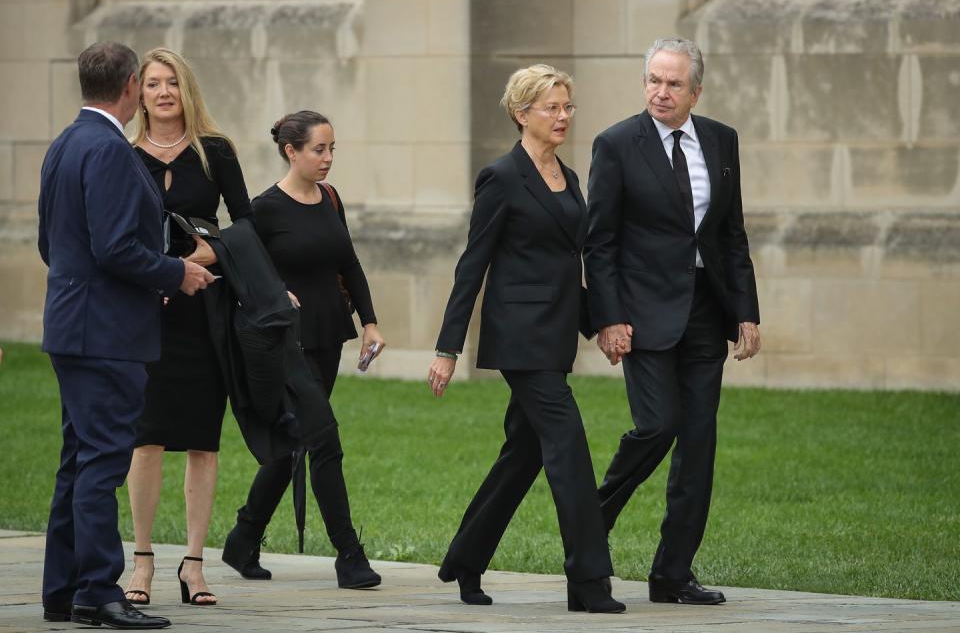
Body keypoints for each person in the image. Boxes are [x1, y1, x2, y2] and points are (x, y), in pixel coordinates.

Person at [426, 64, 624, 614]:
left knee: (524, 454)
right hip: (520, 339)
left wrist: (602, 322)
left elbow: (570, 263)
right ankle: (588, 583)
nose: (563, 116)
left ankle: (465, 561)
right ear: (522, 114)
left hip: (557, 335)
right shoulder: (500, 177)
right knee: (570, 449)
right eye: (552, 107)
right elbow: (474, 265)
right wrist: (448, 348)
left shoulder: (569, 176)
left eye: (568, 107)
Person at [38, 41, 213, 629]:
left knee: (78, 461)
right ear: (132, 84)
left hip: (70, 325)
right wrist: (175, 272)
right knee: (104, 463)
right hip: (108, 333)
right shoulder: (109, 150)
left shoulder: (65, 143)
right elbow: (115, 248)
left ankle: (61, 590)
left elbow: (52, 244)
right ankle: (97, 592)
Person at [584, 37, 761, 605]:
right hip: (642, 316)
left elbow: (730, 235)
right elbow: (600, 242)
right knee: (657, 427)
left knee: (699, 444)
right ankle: (587, 530)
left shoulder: (721, 140)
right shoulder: (615, 144)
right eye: (653, 81)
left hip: (707, 314)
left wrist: (747, 312)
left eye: (674, 84)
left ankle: (672, 574)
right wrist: (608, 317)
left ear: (695, 91)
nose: (661, 92)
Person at [221, 110, 384, 590]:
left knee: (294, 442)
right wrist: (274, 291)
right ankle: (349, 556)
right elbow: (237, 265)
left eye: (333, 149)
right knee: (324, 441)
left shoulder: (330, 199)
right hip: (284, 345)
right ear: (291, 151)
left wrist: (370, 322)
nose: (328, 158)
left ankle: (243, 537)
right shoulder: (263, 210)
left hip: (328, 335)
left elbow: (348, 262)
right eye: (319, 149)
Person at [122, 47, 252, 607]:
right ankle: (143, 561)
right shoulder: (123, 154)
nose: (164, 92)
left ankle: (195, 564)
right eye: (153, 83)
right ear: (140, 93)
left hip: (205, 314)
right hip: (145, 311)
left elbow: (247, 223)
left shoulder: (215, 151)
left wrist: (213, 252)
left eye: (172, 82)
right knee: (145, 438)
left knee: (202, 440)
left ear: (186, 89)